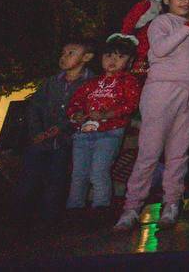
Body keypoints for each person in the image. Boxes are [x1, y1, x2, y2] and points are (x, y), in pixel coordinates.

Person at [116, 0, 189, 231]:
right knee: (149, 152)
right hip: (161, 91)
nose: (186, 2)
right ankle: (132, 207)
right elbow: (162, 48)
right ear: (167, 0)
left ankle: (172, 203)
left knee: (179, 153)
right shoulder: (161, 22)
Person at [19, 37, 94, 222]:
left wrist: (60, 130)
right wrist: (37, 132)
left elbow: (82, 113)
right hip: (41, 141)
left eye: (71, 53)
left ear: (87, 57)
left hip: (66, 142)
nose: (64, 57)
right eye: (63, 53)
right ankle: (20, 218)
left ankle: (49, 221)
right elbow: (35, 107)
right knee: (29, 179)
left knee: (57, 181)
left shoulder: (91, 84)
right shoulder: (51, 83)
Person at [65, 35, 140, 211]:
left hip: (110, 133)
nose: (113, 60)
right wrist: (76, 115)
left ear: (129, 62)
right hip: (83, 134)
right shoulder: (90, 83)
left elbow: (130, 105)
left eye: (120, 57)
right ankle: (74, 209)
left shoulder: (128, 81)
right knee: (78, 174)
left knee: (98, 172)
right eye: (109, 55)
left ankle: (100, 207)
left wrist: (107, 113)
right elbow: (75, 103)